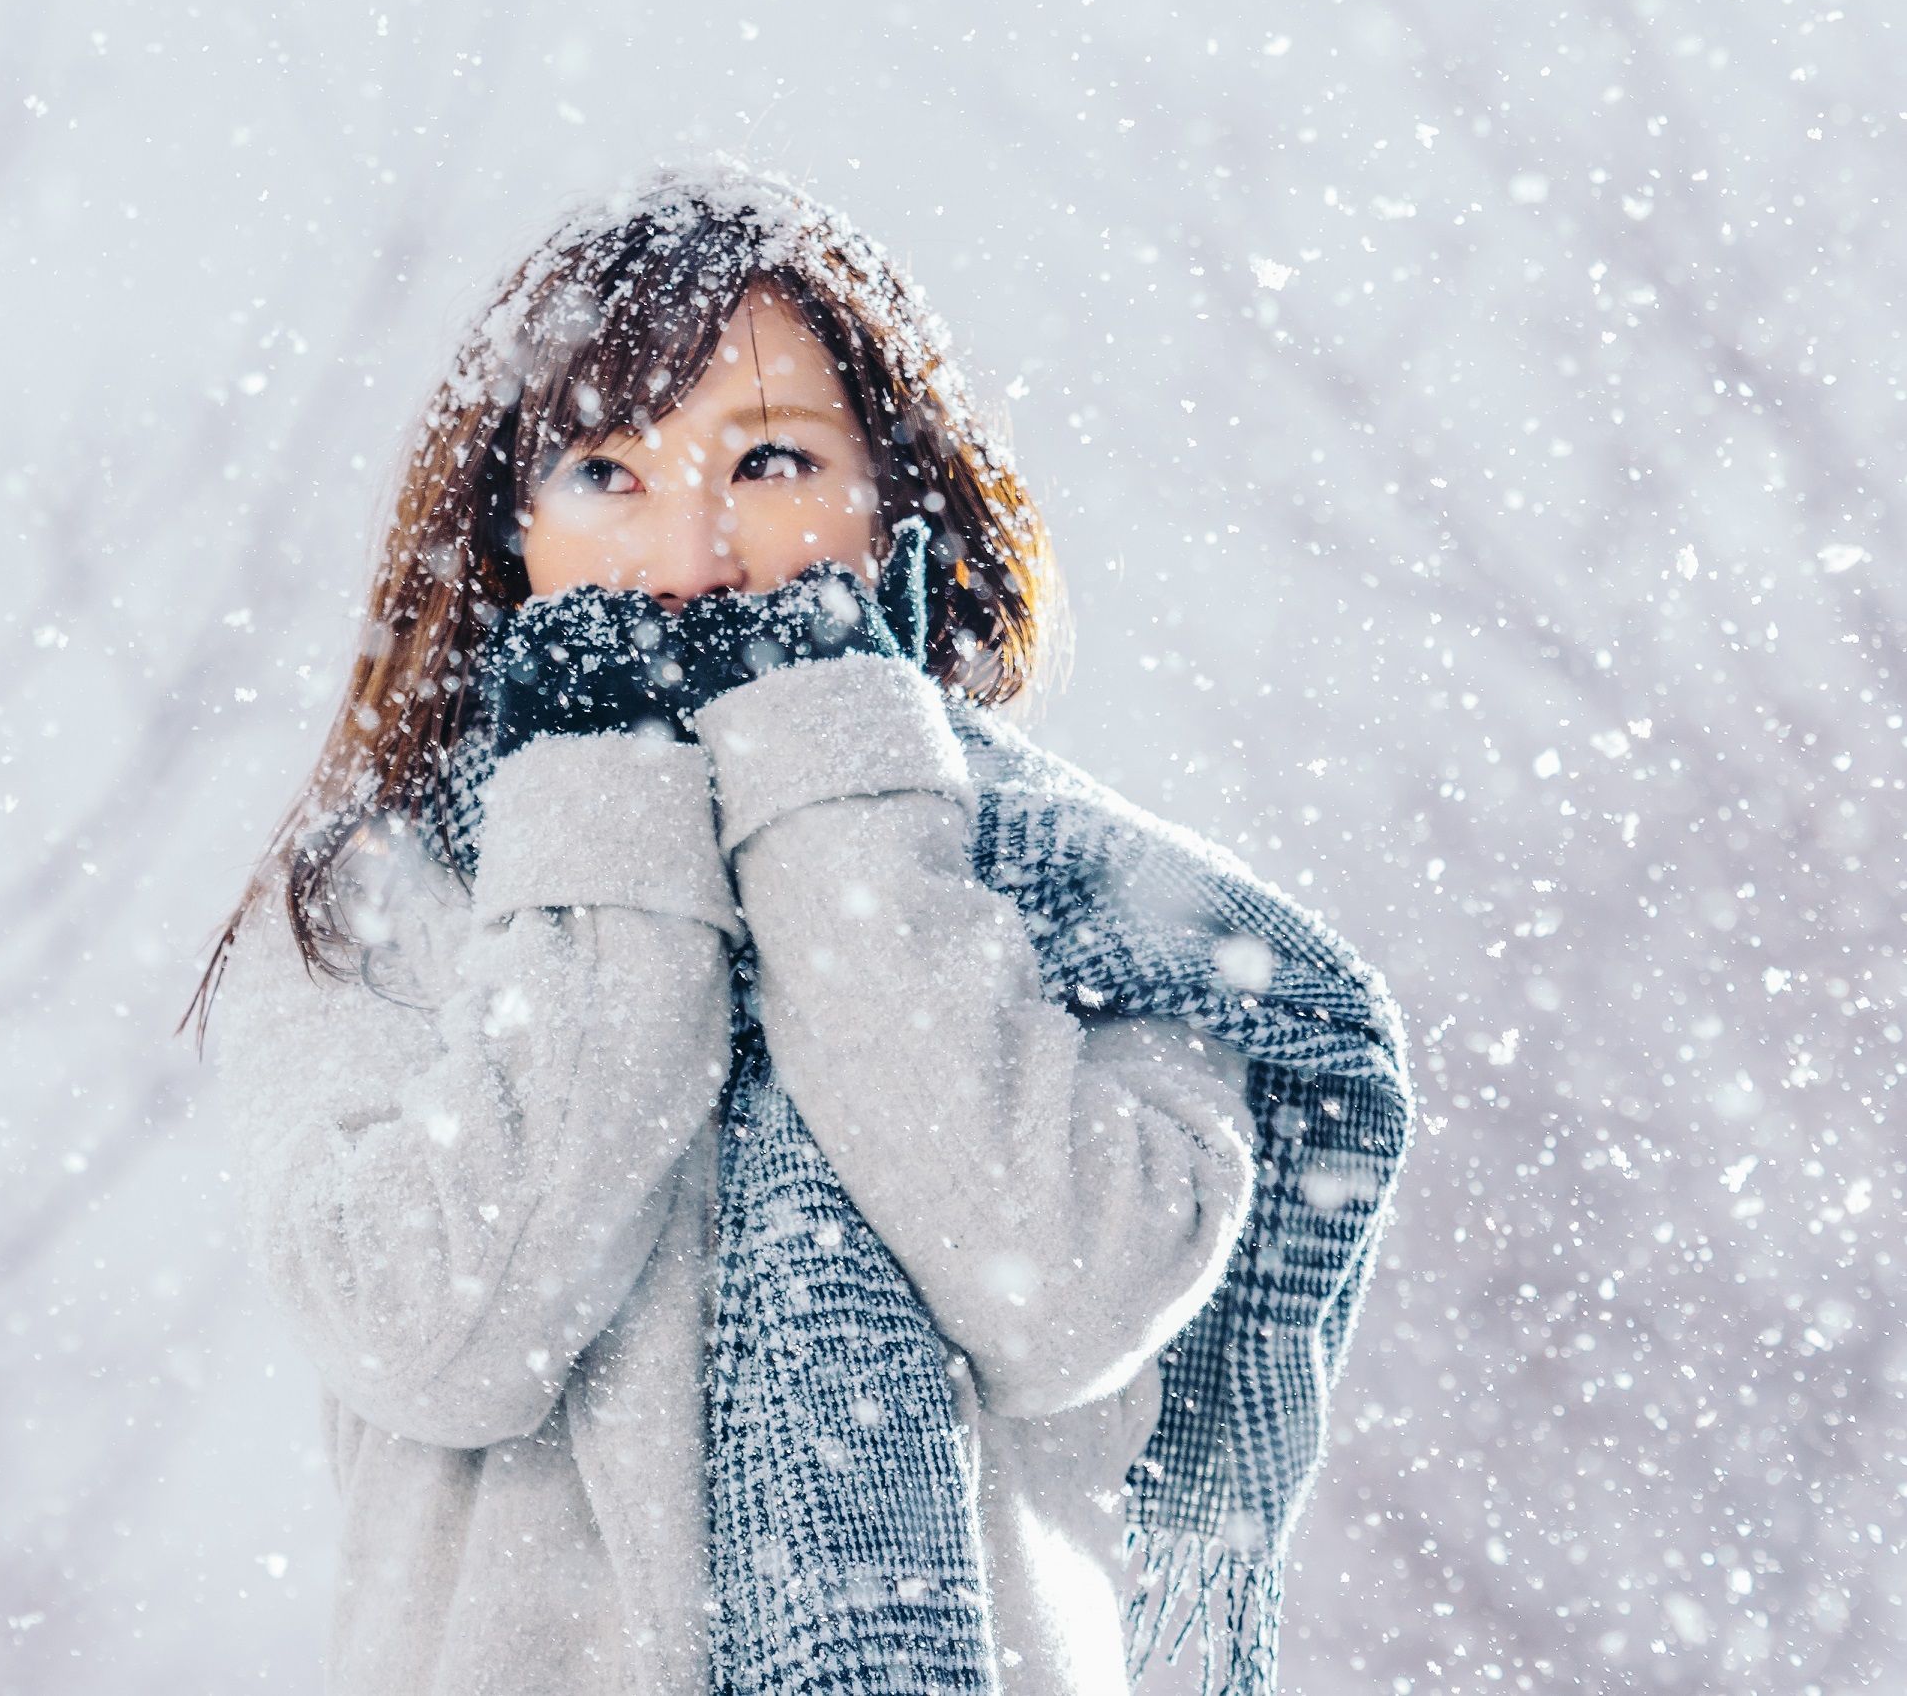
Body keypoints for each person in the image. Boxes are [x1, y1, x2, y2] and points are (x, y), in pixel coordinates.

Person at [185, 164, 1410, 1696]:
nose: (695, 552)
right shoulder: (373, 914)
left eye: (768, 458)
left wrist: (834, 783)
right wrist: (613, 823)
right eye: (604, 472)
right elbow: (442, 1335)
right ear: (504, 525)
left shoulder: (1095, 917)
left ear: (897, 494)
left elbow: (1056, 1288)